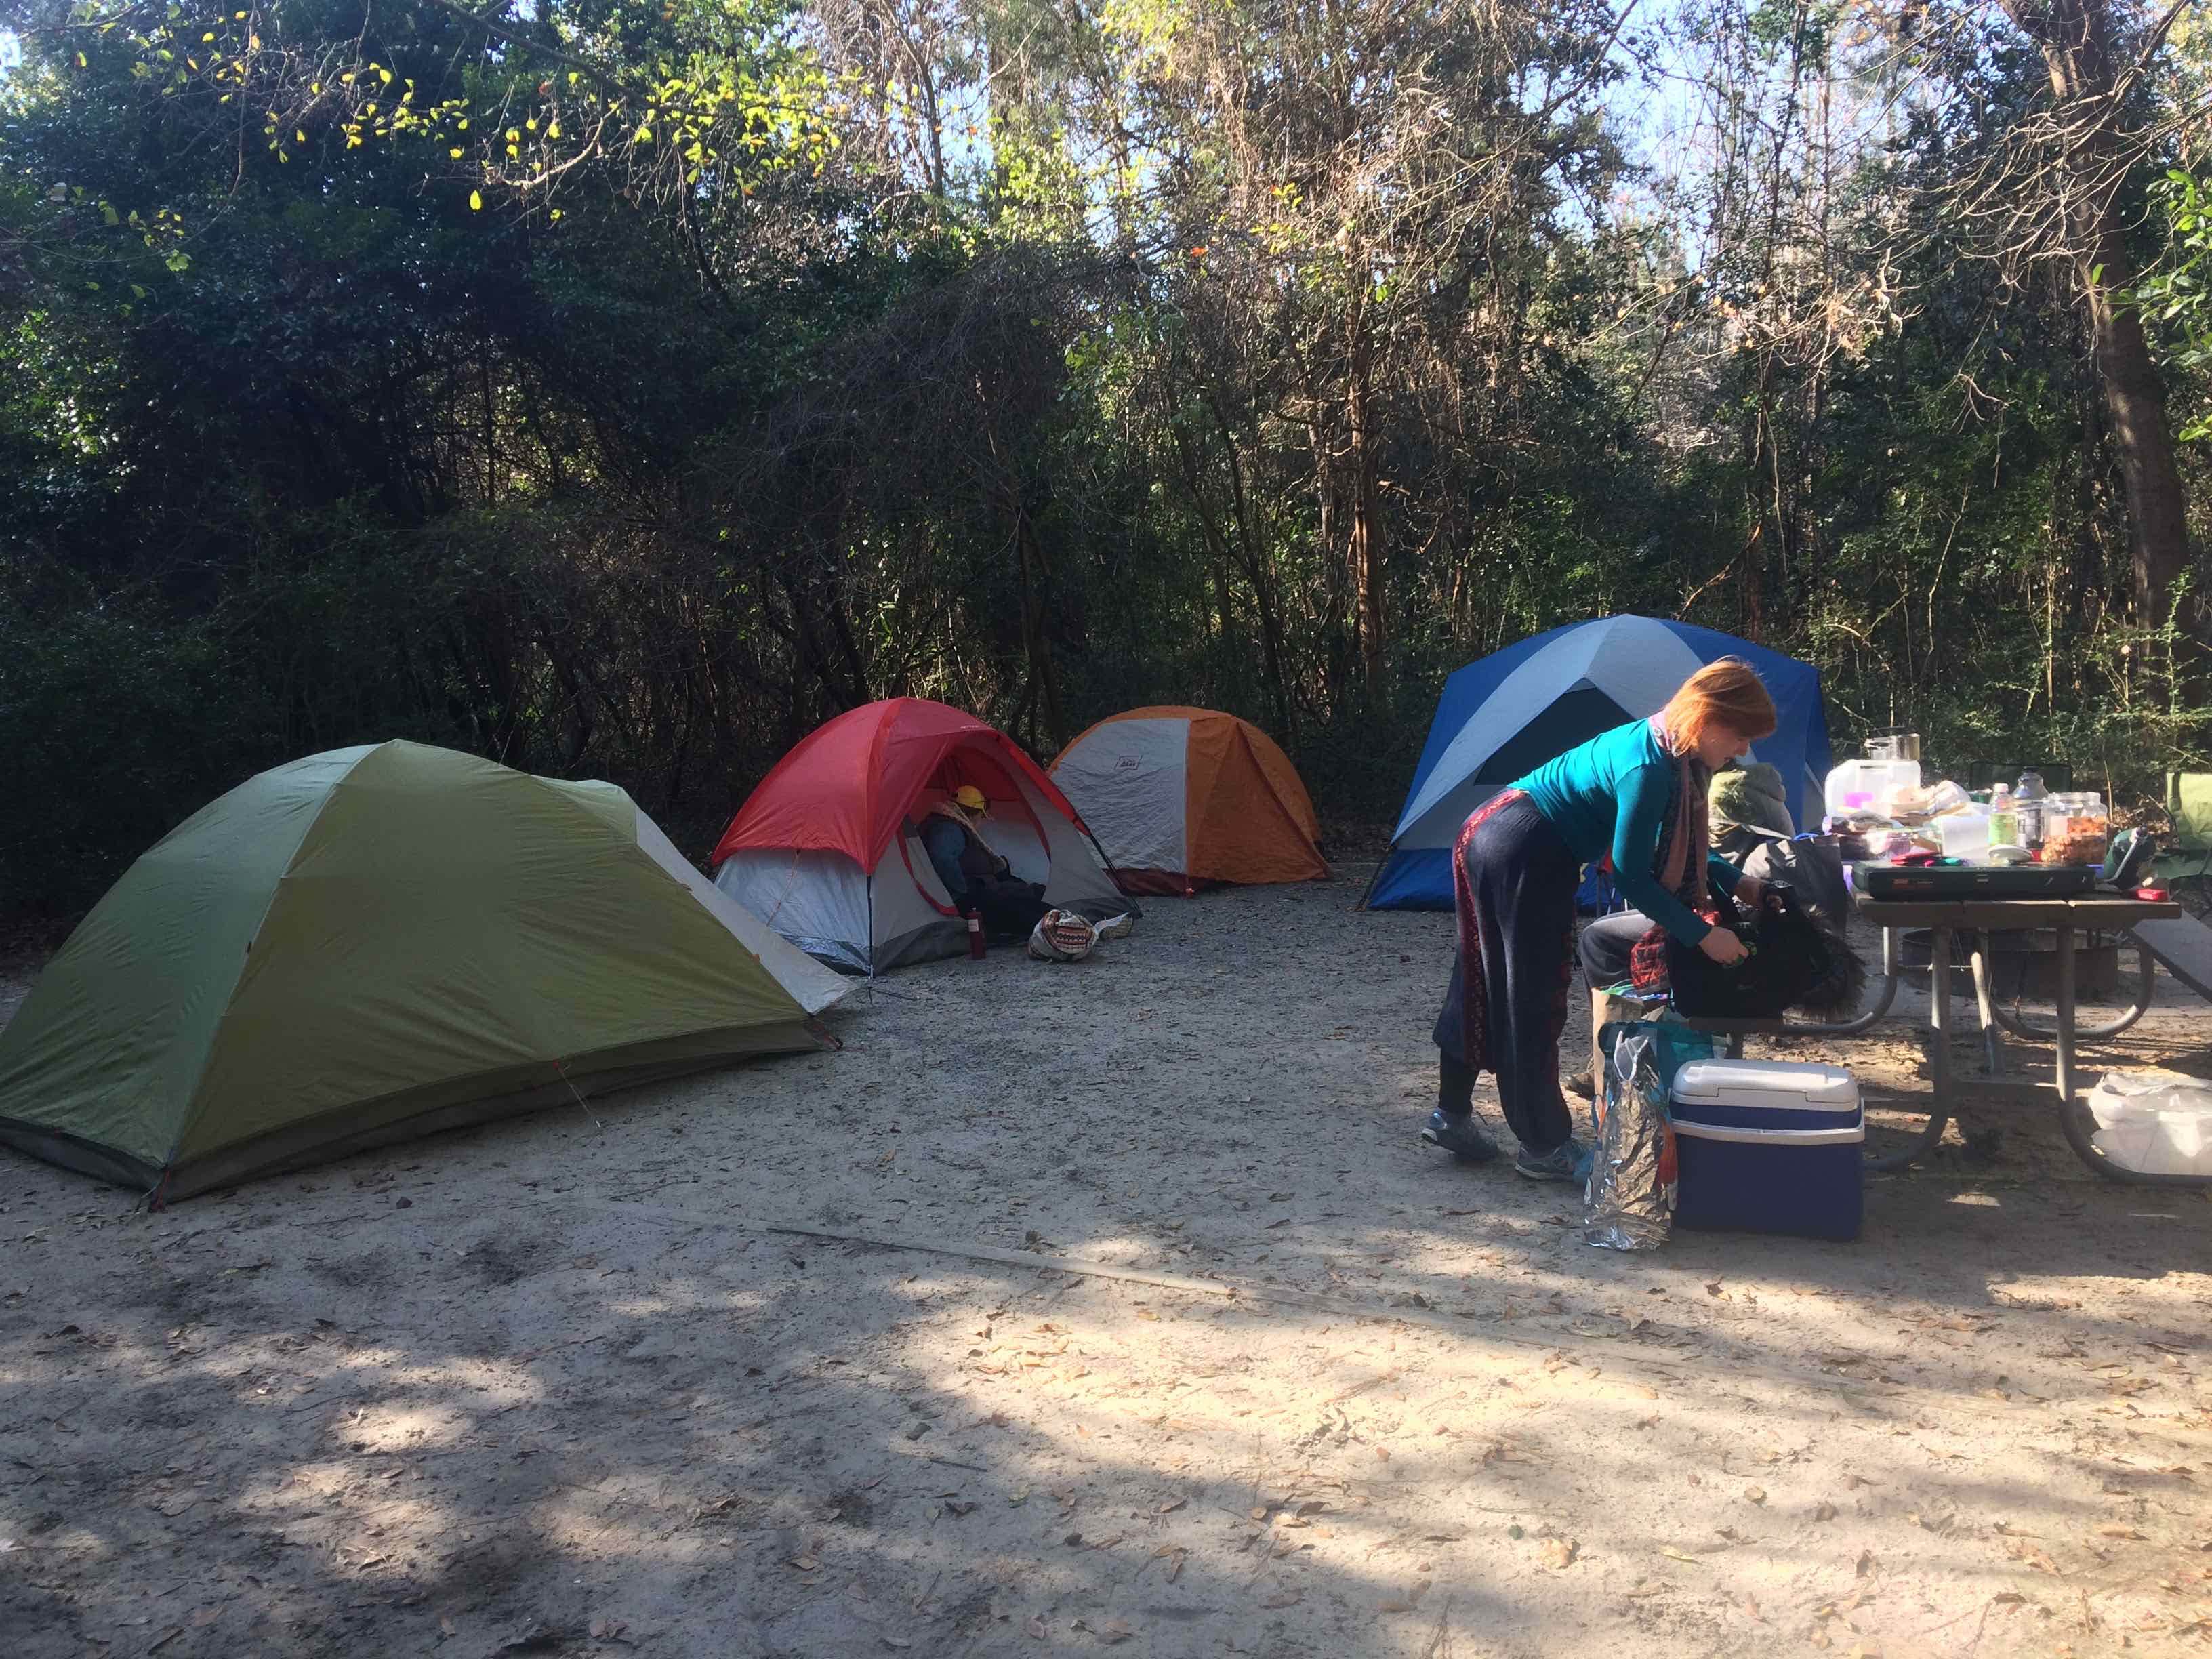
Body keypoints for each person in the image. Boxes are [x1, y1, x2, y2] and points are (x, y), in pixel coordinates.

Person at [1423, 659, 1777, 1179]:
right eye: (1740, 734)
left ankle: (1452, 1114)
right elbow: (1635, 877)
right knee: (1531, 994)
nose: (1743, 748)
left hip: (1496, 830)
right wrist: (1703, 936)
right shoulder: (1651, 767)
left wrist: (1734, 879)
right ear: (1706, 717)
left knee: (1481, 978)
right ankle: (1544, 1147)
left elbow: (1663, 846)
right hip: (1523, 848)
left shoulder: (1669, 750)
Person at [918, 785, 1050, 941]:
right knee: (1025, 908)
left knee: (1028, 895)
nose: (981, 822)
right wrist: (962, 893)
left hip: (983, 888)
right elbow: (942, 857)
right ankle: (1057, 925)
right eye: (982, 817)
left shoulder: (947, 824)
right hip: (974, 897)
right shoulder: (949, 828)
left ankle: (1052, 914)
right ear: (976, 813)